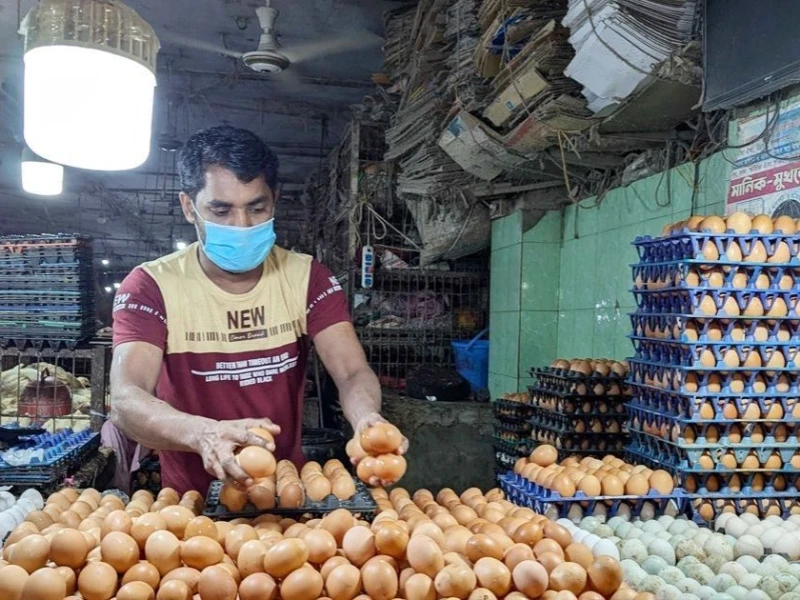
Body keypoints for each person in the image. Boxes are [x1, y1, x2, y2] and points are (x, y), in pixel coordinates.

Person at [110, 125, 407, 495]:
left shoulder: (306, 278)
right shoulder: (152, 286)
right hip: (191, 501)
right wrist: (204, 434)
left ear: (275, 199)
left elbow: (350, 371)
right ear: (189, 206)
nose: (242, 225)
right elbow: (126, 400)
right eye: (220, 210)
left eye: (256, 207)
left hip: (286, 491)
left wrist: (366, 417)